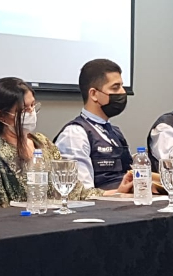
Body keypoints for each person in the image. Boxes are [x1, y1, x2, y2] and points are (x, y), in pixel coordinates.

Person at [0, 77, 132, 208]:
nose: (31, 112)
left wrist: (117, 192)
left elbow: (75, 192)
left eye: (33, 106)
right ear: (2, 116)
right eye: (24, 109)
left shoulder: (42, 142)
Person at [54, 59, 132, 190]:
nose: (122, 92)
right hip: (103, 202)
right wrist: (119, 193)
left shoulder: (115, 132)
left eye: (122, 86)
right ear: (94, 94)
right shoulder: (75, 134)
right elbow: (82, 192)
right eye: (115, 87)